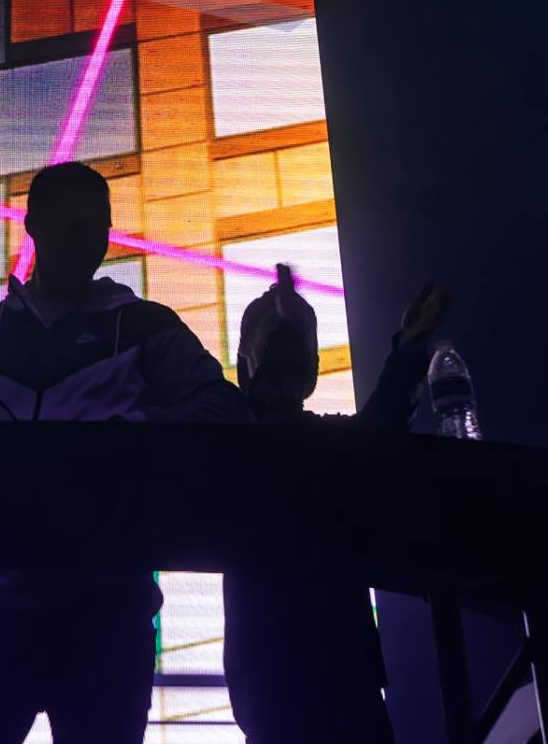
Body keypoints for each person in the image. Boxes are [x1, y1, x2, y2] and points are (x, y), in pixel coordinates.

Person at [0, 160, 248, 744]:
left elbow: (222, 409)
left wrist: (129, 433)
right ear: (33, 225)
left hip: (107, 610)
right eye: (72, 224)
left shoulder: (145, 327)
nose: (88, 240)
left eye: (97, 226)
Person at [221, 273, 451, 744]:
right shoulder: (236, 444)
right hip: (310, 693)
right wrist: (409, 346)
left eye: (296, 340)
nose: (288, 347)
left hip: (319, 692)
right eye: (280, 338)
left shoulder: (320, 445)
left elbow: (379, 426)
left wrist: (410, 346)